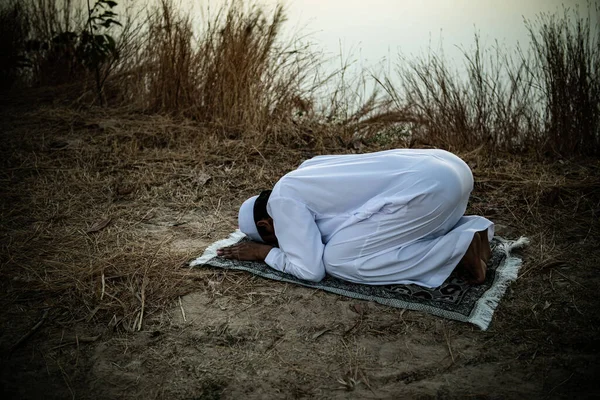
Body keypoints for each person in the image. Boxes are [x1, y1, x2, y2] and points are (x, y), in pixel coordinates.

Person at [217, 149, 493, 287]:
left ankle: (457, 248)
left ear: (266, 225)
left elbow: (311, 270)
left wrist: (263, 253)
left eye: (275, 239)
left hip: (431, 192)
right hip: (453, 168)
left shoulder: (282, 201)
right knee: (366, 240)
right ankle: (471, 230)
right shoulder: (308, 169)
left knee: (338, 261)